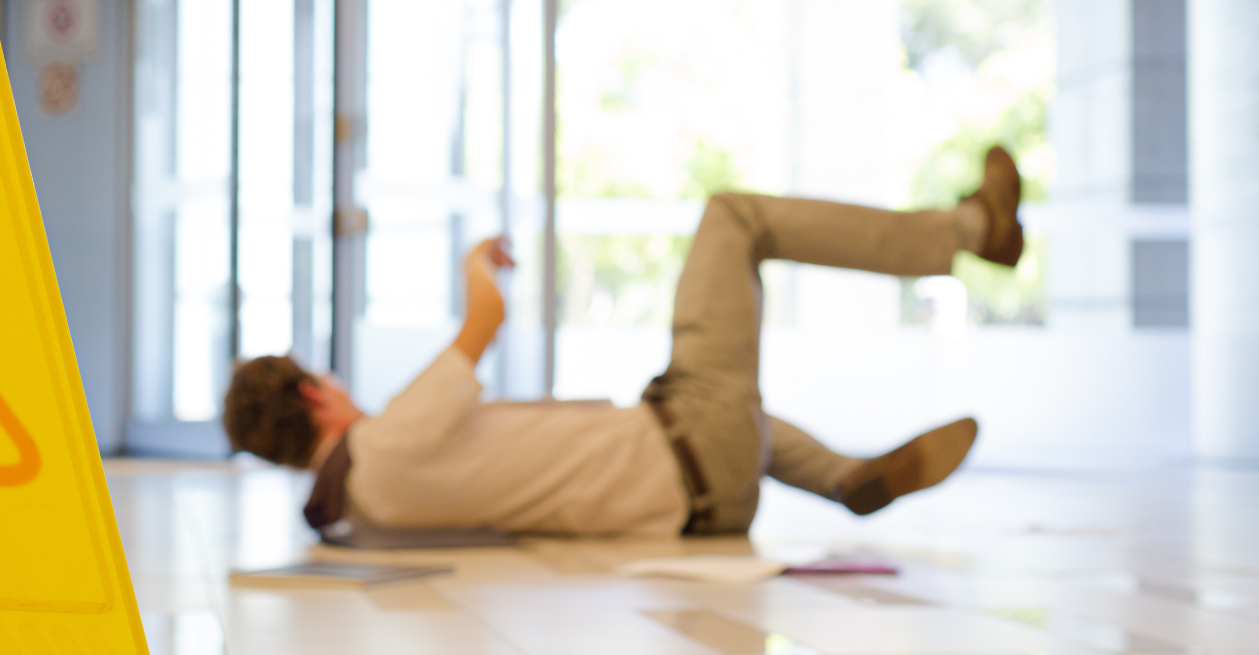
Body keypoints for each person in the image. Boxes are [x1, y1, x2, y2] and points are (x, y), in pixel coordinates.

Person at [221, 147, 1026, 536]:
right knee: (733, 216)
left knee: (703, 409)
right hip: (691, 445)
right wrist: (474, 261)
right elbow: (484, 322)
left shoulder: (363, 515)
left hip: (702, 506)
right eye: (325, 375)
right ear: (314, 394)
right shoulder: (384, 445)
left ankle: (848, 479)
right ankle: (970, 229)